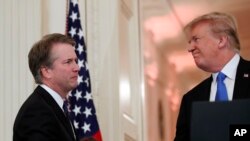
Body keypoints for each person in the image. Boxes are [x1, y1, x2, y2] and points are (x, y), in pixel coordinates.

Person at [174, 12, 250, 141]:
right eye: (190, 42)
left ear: (221, 40)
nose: (190, 48)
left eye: (196, 39)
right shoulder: (190, 99)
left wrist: (233, 133)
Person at [13, 33, 79, 141]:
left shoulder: (54, 106)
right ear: (46, 71)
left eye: (75, 61)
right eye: (68, 62)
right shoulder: (36, 113)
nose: (77, 67)